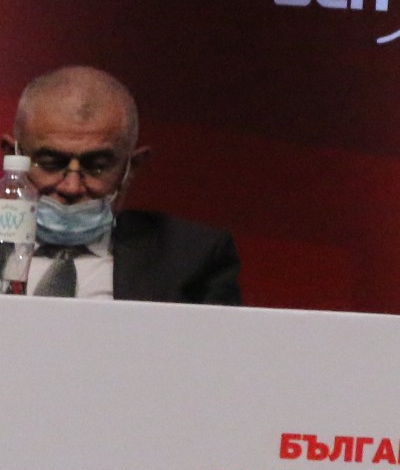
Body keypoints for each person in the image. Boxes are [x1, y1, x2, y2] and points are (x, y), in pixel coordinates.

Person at [5, 67, 240, 303]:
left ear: (131, 167)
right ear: (12, 156)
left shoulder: (192, 257)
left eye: (97, 166)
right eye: (50, 163)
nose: (72, 187)